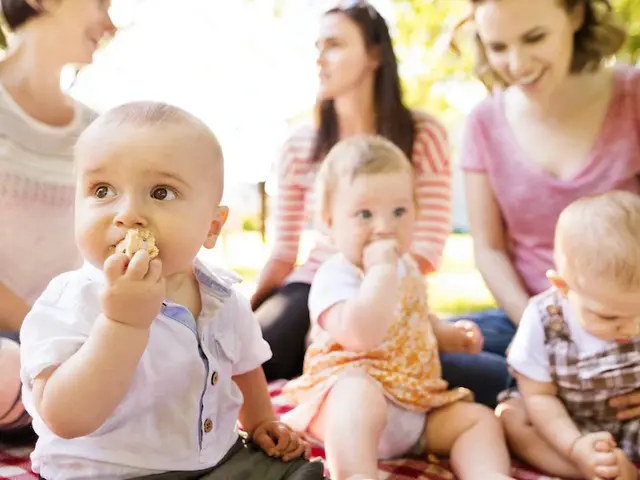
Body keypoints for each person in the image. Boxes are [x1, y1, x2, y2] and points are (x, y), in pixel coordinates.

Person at [18, 101, 325, 480]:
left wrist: (262, 421)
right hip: (107, 472)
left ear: (212, 226)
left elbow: (244, 368)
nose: (128, 213)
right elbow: (64, 418)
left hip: (214, 460)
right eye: (102, 190)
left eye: (161, 192)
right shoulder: (72, 301)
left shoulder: (222, 297)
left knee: (294, 471)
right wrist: (121, 326)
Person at [252, 0, 510, 407]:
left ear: (374, 55)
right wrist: (249, 311)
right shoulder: (299, 146)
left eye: (334, 44)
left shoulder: (424, 134)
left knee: (489, 379)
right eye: (317, 46)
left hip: (394, 284)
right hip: (316, 284)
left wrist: (380, 291)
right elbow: (284, 252)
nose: (319, 58)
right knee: (257, 350)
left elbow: (426, 247)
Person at [280, 136, 513, 480]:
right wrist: (380, 272)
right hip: (345, 404)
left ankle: (489, 475)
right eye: (364, 214)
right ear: (329, 222)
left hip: (413, 406)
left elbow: (414, 320)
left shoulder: (407, 270)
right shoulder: (336, 275)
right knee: (358, 393)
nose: (385, 227)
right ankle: (357, 474)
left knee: (477, 419)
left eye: (399, 211)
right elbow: (362, 334)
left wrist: (448, 336)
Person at [456, 0, 640, 403]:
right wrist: (536, 339)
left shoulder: (633, 96)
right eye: (498, 47)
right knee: (410, 351)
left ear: (575, 14)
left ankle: (543, 401)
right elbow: (488, 248)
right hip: (523, 320)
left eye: (534, 37)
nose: (517, 63)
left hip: (627, 319)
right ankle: (548, 396)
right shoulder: (484, 123)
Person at [0, 0, 115, 444]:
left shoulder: (97, 131)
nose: (109, 23)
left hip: (66, 348)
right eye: (101, 3)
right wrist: (48, 332)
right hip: (32, 347)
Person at [500, 191, 640, 480]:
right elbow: (538, 396)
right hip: (565, 422)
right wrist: (574, 446)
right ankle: (592, 471)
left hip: (633, 420)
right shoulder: (542, 320)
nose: (632, 327)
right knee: (513, 416)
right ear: (562, 287)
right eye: (609, 316)